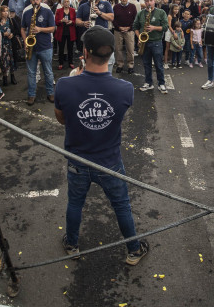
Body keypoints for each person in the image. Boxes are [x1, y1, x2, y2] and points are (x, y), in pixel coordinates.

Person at [54, 26, 150, 266]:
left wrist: (77, 79)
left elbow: (62, 119)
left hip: (78, 159)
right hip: (109, 161)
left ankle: (72, 244)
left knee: (75, 203)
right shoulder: (125, 89)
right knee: (121, 205)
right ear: (112, 55)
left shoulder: (65, 85)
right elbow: (115, 117)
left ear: (85, 53)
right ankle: (133, 250)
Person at [21, 0, 56, 105]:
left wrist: (40, 29)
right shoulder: (26, 13)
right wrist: (25, 41)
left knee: (48, 72)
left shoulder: (47, 12)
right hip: (32, 47)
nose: (35, 2)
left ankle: (50, 93)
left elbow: (52, 28)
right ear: (30, 0)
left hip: (45, 46)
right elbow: (22, 28)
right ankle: (31, 95)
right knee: (31, 73)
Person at [133, 0, 168, 93]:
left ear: (154, 1)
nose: (149, 2)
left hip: (156, 41)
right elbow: (135, 26)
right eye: (147, 1)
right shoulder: (140, 13)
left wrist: (154, 28)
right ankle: (148, 83)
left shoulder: (161, 12)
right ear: (145, 2)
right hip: (145, 42)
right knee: (146, 64)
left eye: (151, 0)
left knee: (158, 64)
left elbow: (165, 27)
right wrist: (139, 37)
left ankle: (161, 83)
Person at [113, 0, 137, 74]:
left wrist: (129, 27)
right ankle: (120, 65)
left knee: (130, 49)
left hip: (129, 31)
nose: (123, 0)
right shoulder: (116, 7)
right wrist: (119, 27)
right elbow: (113, 19)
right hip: (118, 30)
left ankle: (130, 65)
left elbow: (135, 19)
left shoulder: (132, 7)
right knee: (118, 49)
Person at [0, 5, 17, 84]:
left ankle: (12, 76)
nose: (6, 13)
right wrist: (2, 34)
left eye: (7, 11)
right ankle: (5, 77)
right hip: (2, 44)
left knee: (11, 60)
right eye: (4, 11)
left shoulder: (11, 20)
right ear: (0, 12)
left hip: (10, 44)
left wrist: (12, 34)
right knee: (3, 61)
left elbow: (17, 30)